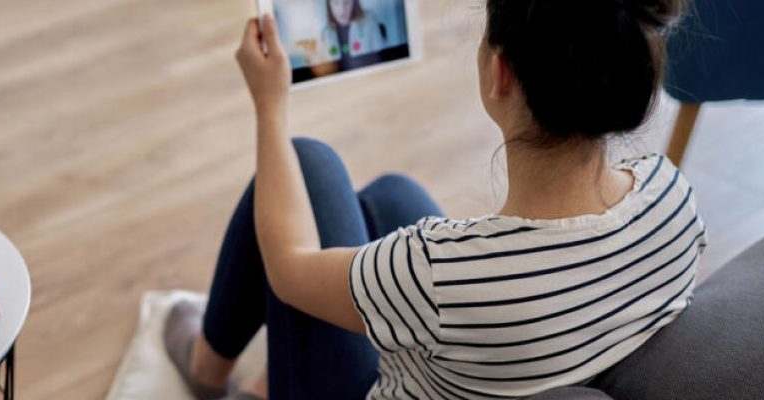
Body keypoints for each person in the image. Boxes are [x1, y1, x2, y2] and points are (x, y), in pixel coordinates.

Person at [164, 0, 706, 399]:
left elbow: (288, 270)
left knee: (307, 162)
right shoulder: (673, 199)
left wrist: (269, 105)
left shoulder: (443, 273)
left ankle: (208, 373)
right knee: (391, 196)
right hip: (529, 361)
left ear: (500, 74)